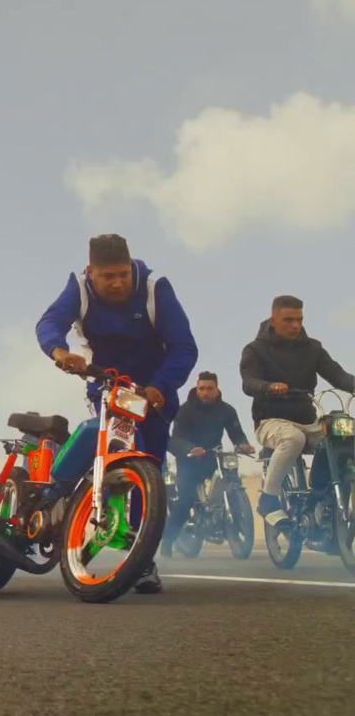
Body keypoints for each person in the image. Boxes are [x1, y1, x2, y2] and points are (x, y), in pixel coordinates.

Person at [37, 233, 197, 594]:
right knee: (121, 440)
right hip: (108, 385)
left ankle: (142, 561)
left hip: (155, 391)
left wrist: (159, 386)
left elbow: (184, 347)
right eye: (107, 276)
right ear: (91, 271)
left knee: (149, 471)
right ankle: (56, 492)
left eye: (123, 274)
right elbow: (49, 324)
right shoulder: (77, 289)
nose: (117, 282)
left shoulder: (156, 288)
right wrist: (60, 353)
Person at [240, 295, 355, 529]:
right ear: (274, 319)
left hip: (308, 420)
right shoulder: (255, 349)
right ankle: (269, 499)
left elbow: (338, 375)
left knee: (341, 436)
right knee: (293, 438)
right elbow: (248, 382)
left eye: (299, 320)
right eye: (289, 320)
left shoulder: (313, 348)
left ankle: (322, 495)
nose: (296, 325)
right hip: (271, 420)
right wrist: (268, 387)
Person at [162, 372, 253, 556]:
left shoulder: (227, 410)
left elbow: (236, 433)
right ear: (197, 389)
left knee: (232, 479)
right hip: (189, 459)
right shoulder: (184, 410)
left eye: (209, 388)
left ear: (217, 390)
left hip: (214, 456)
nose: (205, 392)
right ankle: (168, 541)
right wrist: (191, 448)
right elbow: (175, 439)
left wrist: (242, 444)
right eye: (201, 388)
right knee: (185, 499)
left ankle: (232, 520)